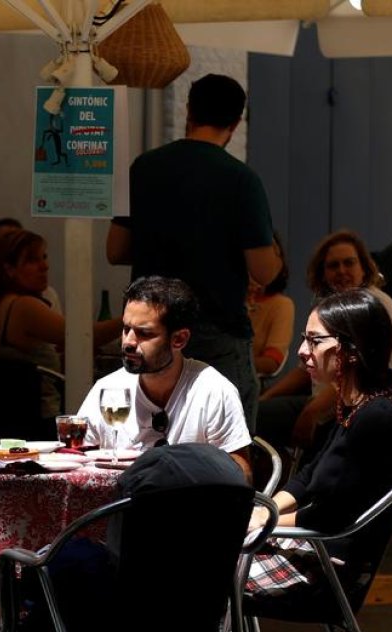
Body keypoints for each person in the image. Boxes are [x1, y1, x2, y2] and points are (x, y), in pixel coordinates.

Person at [105, 73, 282, 431]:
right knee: (224, 450)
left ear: (189, 109)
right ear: (236, 122)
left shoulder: (144, 168)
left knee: (147, 440)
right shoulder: (240, 180)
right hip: (217, 331)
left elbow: (116, 249)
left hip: (150, 331)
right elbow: (264, 271)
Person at [245, 288, 392, 601]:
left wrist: (266, 521)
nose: (302, 351)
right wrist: (264, 512)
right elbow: (309, 476)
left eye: (315, 340)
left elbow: (332, 517)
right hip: (312, 544)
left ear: (351, 349)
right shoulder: (355, 405)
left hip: (326, 564)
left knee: (202, 569)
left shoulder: (377, 415)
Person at [75, 276, 253, 479]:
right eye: (126, 329)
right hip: (119, 505)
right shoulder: (108, 389)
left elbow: (241, 475)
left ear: (179, 339)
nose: (128, 342)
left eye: (144, 333)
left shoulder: (212, 390)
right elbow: (78, 462)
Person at [258, 231, 392, 456]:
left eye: (349, 263)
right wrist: (265, 397)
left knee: (252, 420)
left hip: (353, 408)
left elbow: (358, 376)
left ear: (364, 267)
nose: (342, 271)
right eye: (333, 266)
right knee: (253, 412)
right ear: (323, 273)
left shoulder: (372, 307)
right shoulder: (333, 306)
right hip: (321, 400)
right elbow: (304, 369)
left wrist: (312, 412)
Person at [0, 228, 121, 418]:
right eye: (32, 260)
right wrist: (130, 318)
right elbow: (84, 337)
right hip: (34, 421)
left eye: (44, 257)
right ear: (9, 269)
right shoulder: (23, 306)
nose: (44, 266)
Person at [249, 234, 295, 379]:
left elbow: (272, 362)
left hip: (251, 381)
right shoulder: (227, 301)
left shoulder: (281, 305)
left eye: (275, 254)